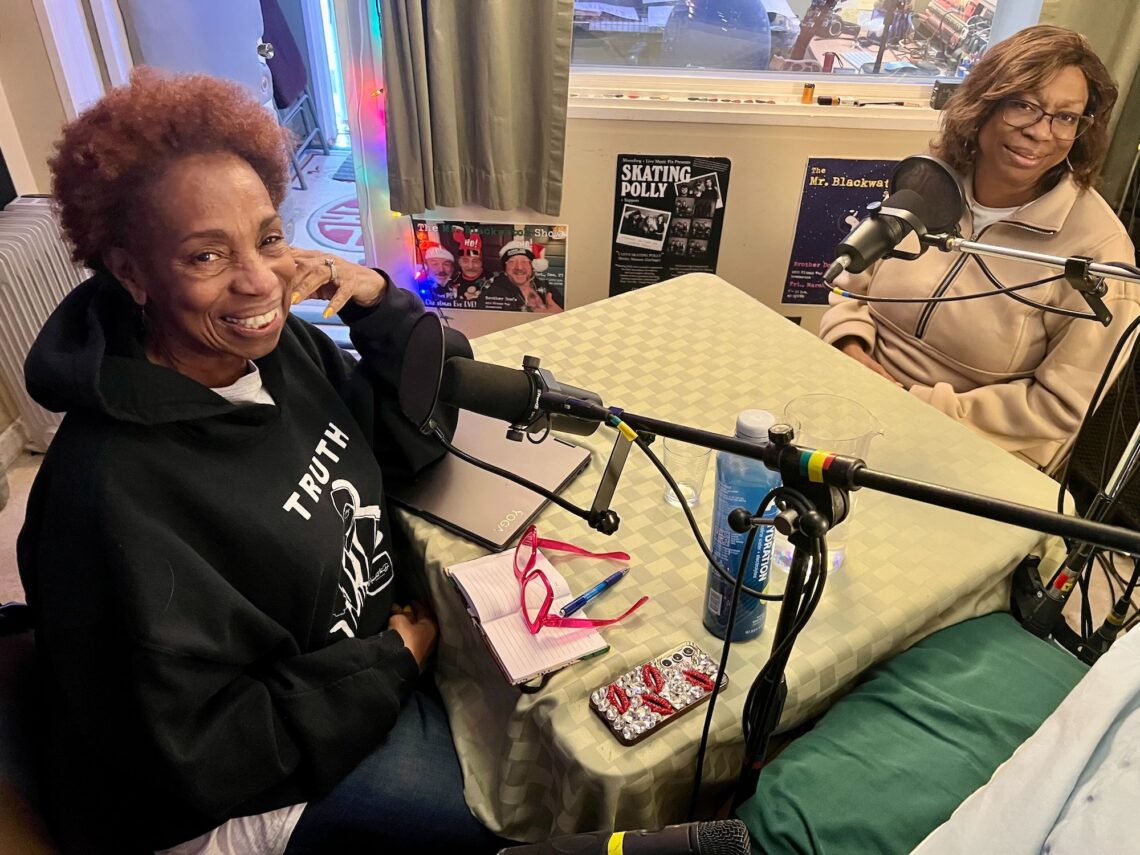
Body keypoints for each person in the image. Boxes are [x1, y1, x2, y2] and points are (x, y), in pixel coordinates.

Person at [17, 69, 504, 854]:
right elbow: (200, 753)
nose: (259, 281)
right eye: (207, 255)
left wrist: (379, 307)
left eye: (269, 238)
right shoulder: (106, 501)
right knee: (495, 809)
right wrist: (387, 665)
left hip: (345, 672)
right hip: (214, 797)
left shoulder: (280, 352)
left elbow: (407, 443)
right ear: (132, 272)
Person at [819, 26, 1140, 474]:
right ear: (984, 104)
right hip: (858, 384)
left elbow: (1060, 407)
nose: (1040, 132)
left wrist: (912, 404)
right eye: (1023, 105)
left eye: (1065, 117)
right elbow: (851, 283)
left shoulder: (1099, 251)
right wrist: (850, 345)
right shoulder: (933, 180)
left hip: (978, 447)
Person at [478, 241, 564, 313]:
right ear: (505, 269)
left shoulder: (548, 289)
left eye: (525, 261)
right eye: (512, 261)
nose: (519, 267)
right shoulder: (491, 294)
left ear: (532, 266)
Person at [452, 231, 487, 301]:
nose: (470, 266)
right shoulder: (452, 280)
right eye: (465, 261)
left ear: (481, 262)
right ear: (459, 262)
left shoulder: (493, 280)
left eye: (475, 261)